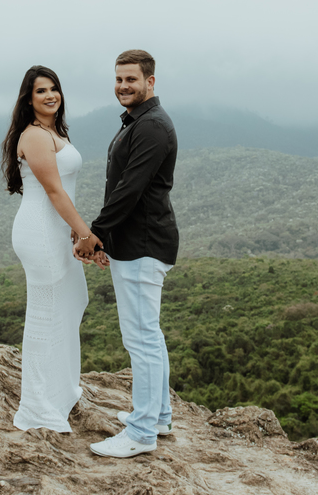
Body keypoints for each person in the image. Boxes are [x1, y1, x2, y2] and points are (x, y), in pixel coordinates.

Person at [75, 49, 179, 459]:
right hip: (136, 242)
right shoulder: (139, 121)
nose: (123, 86)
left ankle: (141, 432)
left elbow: (130, 190)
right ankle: (159, 417)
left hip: (144, 244)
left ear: (150, 81)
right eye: (118, 79)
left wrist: (94, 235)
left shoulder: (151, 126)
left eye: (131, 79)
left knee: (141, 338)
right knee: (148, 334)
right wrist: (109, 243)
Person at [2, 64, 103, 433]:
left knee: (73, 300)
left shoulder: (54, 131)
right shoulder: (33, 136)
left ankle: (61, 390)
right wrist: (86, 234)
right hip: (41, 231)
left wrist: (74, 231)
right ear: (28, 100)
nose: (50, 95)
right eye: (40, 91)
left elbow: (63, 193)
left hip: (58, 229)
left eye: (53, 88)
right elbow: (54, 191)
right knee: (45, 313)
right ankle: (38, 407)